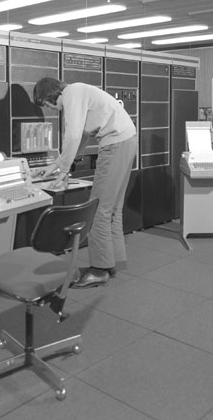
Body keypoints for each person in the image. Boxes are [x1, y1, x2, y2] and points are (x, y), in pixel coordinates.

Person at [32, 77, 137, 289]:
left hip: (115, 145)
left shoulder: (71, 94)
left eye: (48, 104)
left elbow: (72, 135)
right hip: (127, 141)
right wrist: (57, 166)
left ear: (50, 95)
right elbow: (82, 138)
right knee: (113, 208)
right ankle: (113, 261)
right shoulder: (80, 92)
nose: (53, 109)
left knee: (99, 209)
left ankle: (99, 270)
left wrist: (63, 171)